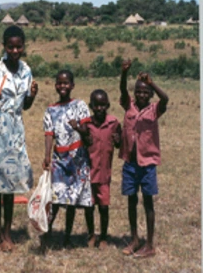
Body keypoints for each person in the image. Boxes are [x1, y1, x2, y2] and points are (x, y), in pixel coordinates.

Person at [0, 25, 38, 251]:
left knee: (13, 182)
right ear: (4, 46)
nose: (15, 51)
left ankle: (7, 230)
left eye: (19, 46)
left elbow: (24, 105)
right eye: (11, 46)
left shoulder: (26, 71)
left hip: (16, 129)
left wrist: (32, 97)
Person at [119, 59, 169, 258]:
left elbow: (165, 98)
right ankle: (134, 238)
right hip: (130, 164)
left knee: (148, 202)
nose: (141, 94)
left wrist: (152, 83)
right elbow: (123, 90)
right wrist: (124, 73)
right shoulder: (128, 106)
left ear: (150, 95)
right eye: (138, 91)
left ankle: (149, 244)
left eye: (145, 92)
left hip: (147, 164)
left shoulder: (155, 109)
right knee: (131, 201)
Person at [42, 69, 93, 248]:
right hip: (59, 159)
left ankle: (67, 235)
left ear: (72, 85)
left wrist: (77, 126)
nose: (62, 86)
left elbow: (87, 131)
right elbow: (49, 135)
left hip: (77, 158)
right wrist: (47, 156)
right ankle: (47, 231)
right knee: (56, 198)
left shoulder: (80, 105)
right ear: (55, 85)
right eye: (59, 82)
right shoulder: (51, 110)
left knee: (71, 200)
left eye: (66, 83)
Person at [86, 89, 122, 249]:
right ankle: (91, 234)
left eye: (102, 105)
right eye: (96, 105)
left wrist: (118, 140)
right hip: (88, 173)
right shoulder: (86, 124)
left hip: (104, 174)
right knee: (89, 207)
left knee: (104, 207)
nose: (100, 108)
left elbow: (119, 143)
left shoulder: (113, 123)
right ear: (91, 106)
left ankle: (103, 237)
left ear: (107, 105)